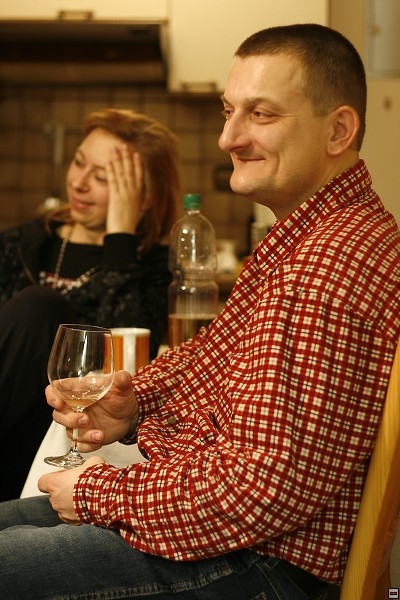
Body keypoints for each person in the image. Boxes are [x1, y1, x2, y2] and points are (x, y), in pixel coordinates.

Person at [0, 23, 399, 600]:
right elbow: (212, 358)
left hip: (260, 564)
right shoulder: (309, 235)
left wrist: (96, 492)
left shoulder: (325, 266)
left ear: (339, 129)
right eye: (228, 111)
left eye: (261, 114)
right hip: (233, 537)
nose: (228, 137)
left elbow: (259, 491)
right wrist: (136, 401)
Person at [0, 107, 181, 501]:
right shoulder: (19, 245)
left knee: (41, 307)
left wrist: (120, 239)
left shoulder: (151, 270)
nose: (79, 183)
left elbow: (127, 362)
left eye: (102, 178)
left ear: (145, 197)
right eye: (79, 162)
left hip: (55, 442)